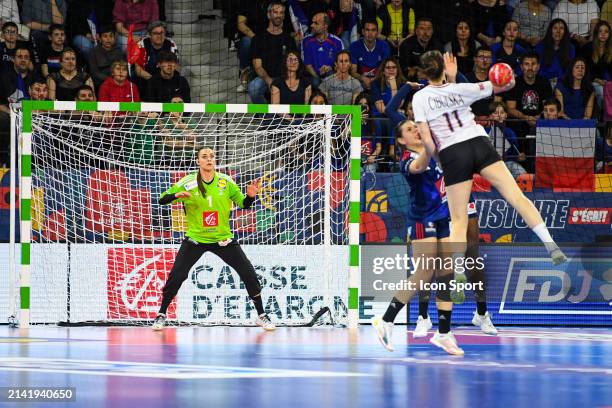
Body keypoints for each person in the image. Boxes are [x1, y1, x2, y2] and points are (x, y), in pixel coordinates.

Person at [413, 51, 567, 302]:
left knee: (459, 219)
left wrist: (442, 162)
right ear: (445, 67)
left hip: (453, 152)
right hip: (479, 142)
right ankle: (551, 245)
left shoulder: (419, 97)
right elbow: (509, 84)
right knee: (517, 198)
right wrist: (500, 71)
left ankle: (459, 273)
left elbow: (428, 141)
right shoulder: (463, 87)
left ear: (423, 73)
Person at [152, 146, 276, 331]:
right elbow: (162, 199)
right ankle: (161, 314)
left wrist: (250, 196)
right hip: (196, 238)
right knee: (177, 276)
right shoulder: (188, 182)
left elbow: (243, 204)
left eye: (211, 156)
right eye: (204, 157)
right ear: (198, 161)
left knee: (249, 273)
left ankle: (261, 315)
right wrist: (177, 195)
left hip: (223, 239)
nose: (209, 159)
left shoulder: (225, 182)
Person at [372, 119, 464, 356]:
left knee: (446, 273)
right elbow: (419, 167)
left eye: (416, 126)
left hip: (444, 218)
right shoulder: (407, 161)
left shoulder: (436, 152)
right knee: (424, 273)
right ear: (402, 140)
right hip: (423, 220)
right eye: (410, 129)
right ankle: (386, 319)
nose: (415, 130)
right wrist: (429, 146)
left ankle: (444, 333)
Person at [248, 1, 296, 104]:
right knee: (254, 87)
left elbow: (293, 64)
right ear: (268, 15)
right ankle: (267, 117)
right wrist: (269, 81)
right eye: (275, 12)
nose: (278, 15)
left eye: (281, 13)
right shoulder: (258, 38)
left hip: (284, 79)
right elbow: (258, 67)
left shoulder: (289, 40)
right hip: (265, 79)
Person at [302, 12, 343, 89]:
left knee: (330, 77)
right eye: (312, 22)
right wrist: (317, 75)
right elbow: (307, 65)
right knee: (315, 82)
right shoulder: (306, 41)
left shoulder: (337, 42)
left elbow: (342, 64)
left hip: (331, 74)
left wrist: (331, 68)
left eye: (316, 23)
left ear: (325, 26)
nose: (311, 25)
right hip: (312, 75)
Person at [349, 19, 390, 90]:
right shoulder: (354, 46)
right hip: (360, 82)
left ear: (377, 32)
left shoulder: (384, 45)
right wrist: (363, 78)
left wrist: (374, 79)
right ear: (363, 32)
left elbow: (385, 69)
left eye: (373, 30)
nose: (370, 33)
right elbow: (353, 72)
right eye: (367, 30)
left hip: (379, 80)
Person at [581, 20, 611, 111]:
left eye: (606, 32)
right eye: (600, 31)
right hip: (589, 80)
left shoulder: (610, 50)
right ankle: (600, 119)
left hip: (606, 82)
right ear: (596, 33)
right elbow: (584, 69)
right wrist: (597, 80)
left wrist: (608, 82)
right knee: (602, 93)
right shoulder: (588, 48)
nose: (603, 34)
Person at [535, 18, 576, 85]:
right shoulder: (541, 46)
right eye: (555, 28)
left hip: (562, 82)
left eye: (561, 28)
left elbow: (570, 69)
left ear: (565, 31)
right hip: (544, 81)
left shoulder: (571, 48)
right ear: (550, 31)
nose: (558, 31)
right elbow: (538, 68)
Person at [88, 25, 125, 89]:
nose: (108, 39)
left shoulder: (120, 51)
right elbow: (95, 73)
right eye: (105, 36)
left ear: (114, 37)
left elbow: (123, 69)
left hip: (118, 82)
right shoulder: (93, 52)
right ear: (100, 38)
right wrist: (111, 81)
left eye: (111, 36)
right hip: (101, 84)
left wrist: (116, 79)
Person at [466, 46, 495, 120]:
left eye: (488, 57)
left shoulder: (495, 79)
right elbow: (462, 105)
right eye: (481, 57)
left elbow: (497, 103)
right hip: (470, 121)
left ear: (491, 60)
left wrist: (493, 116)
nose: (485, 60)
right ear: (475, 59)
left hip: (490, 121)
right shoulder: (466, 79)